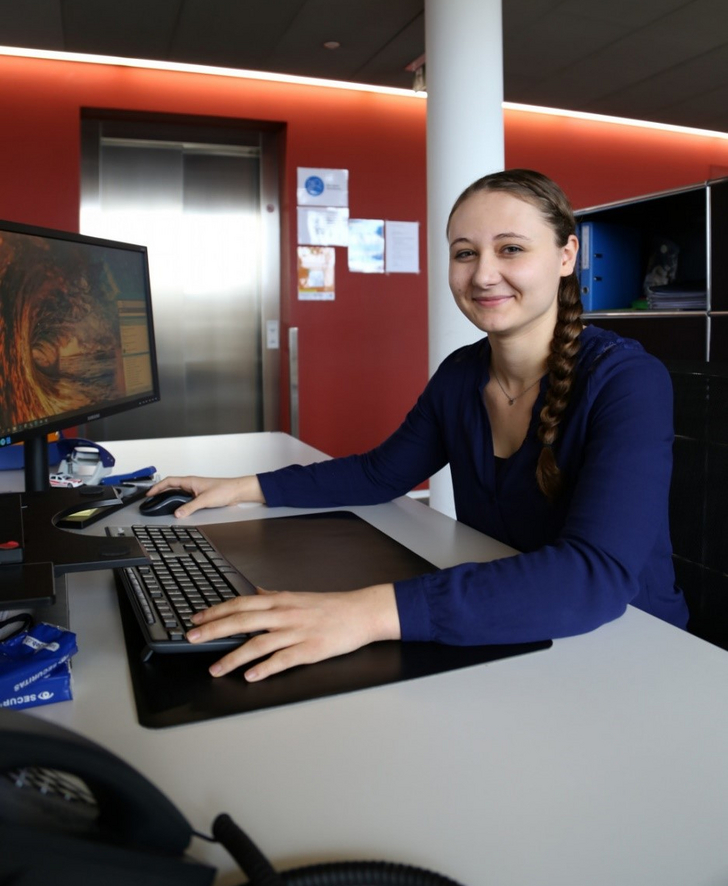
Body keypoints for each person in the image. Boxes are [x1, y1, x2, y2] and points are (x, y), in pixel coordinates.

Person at [148, 169, 689, 682]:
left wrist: (366, 613)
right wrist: (244, 488)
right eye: (464, 253)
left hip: (631, 650)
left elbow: (592, 575)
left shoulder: (627, 379)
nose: (482, 274)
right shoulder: (461, 374)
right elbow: (381, 474)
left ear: (567, 255)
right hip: (508, 627)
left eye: (511, 249)